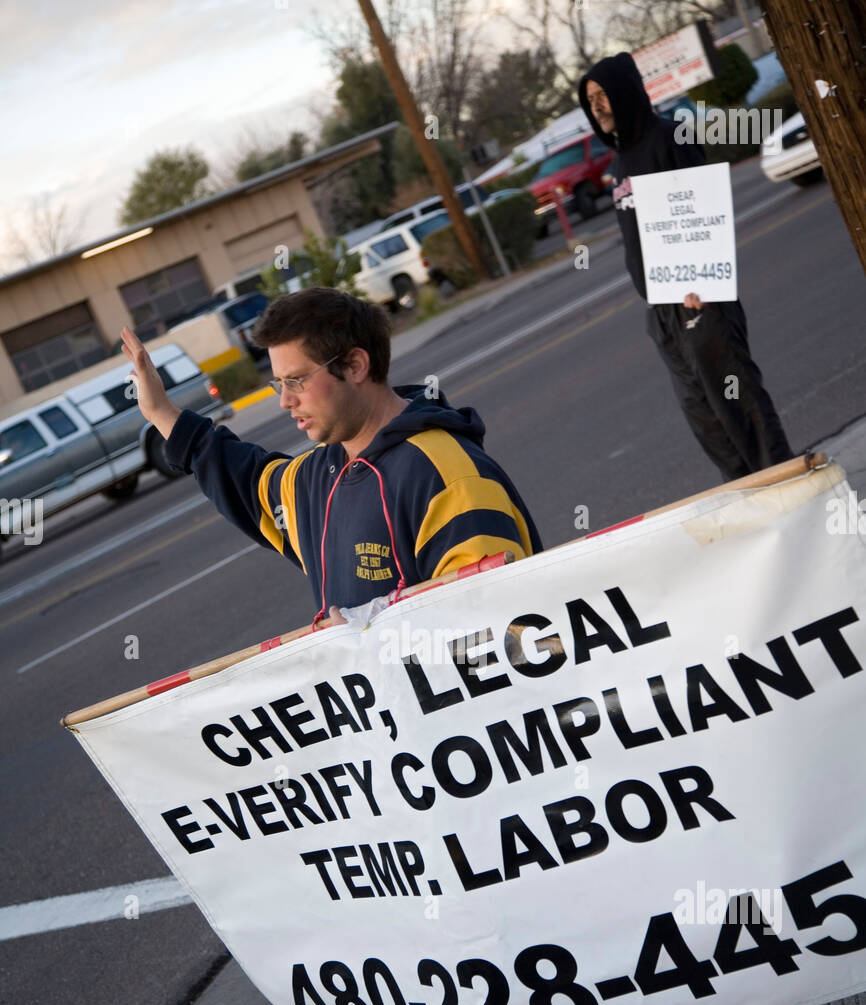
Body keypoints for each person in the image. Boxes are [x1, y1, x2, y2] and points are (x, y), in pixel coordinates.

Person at [120, 286, 542, 623]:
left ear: (356, 365)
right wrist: (162, 413)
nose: (285, 401)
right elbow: (245, 479)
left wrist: (366, 641)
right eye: (278, 384)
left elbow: (500, 623)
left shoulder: (449, 476)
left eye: (297, 380)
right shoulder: (314, 477)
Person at [579, 53, 793, 483]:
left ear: (625, 92)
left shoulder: (668, 137)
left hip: (699, 300)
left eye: (604, 95)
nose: (598, 106)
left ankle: (787, 486)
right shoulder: (620, 161)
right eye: (590, 100)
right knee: (708, 424)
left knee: (739, 407)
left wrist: (698, 284)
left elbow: (703, 209)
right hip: (662, 313)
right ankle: (756, 505)